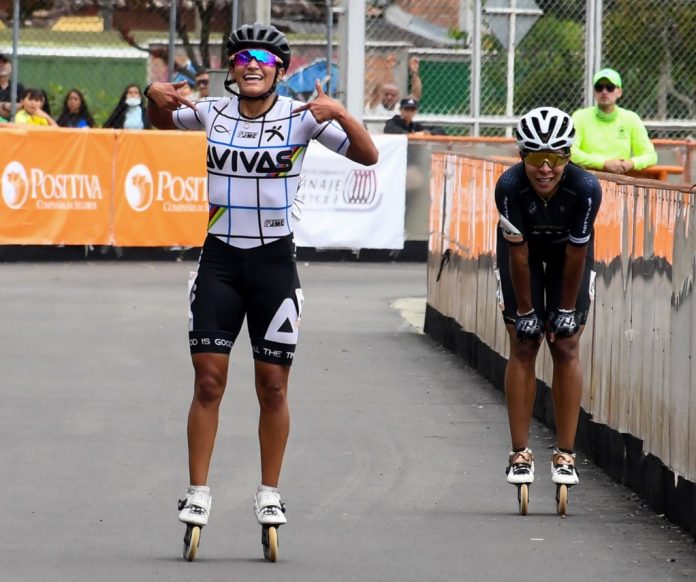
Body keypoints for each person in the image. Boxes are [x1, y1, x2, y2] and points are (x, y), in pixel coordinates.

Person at [144, 22, 378, 557]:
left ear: (280, 70)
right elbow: (161, 121)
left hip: (273, 265)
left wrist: (341, 113)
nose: (253, 65)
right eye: (243, 56)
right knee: (208, 382)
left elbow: (368, 156)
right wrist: (156, 95)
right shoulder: (211, 111)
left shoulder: (303, 118)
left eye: (265, 59)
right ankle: (198, 491)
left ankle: (269, 492)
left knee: (272, 386)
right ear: (232, 67)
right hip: (220, 262)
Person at [494, 107, 602, 511]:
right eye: (535, 158)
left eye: (554, 158)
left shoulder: (586, 188)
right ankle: (519, 453)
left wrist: (566, 309)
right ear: (521, 155)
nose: (544, 169)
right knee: (524, 343)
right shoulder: (509, 186)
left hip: (567, 256)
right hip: (521, 252)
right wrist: (525, 311)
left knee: (566, 343)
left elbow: (577, 253)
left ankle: (566, 454)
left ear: (568, 157)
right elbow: (518, 256)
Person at [571, 68, 657, 175]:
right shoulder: (579, 117)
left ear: (619, 92)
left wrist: (631, 163)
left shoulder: (631, 118)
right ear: (594, 92)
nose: (604, 91)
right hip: (586, 178)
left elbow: (650, 156)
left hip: (620, 179)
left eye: (610, 87)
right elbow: (570, 152)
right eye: (599, 87)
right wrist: (603, 164)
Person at [0, 53, 23, 120]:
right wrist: (6, 106)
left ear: (11, 66)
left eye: (4, 62)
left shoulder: (18, 87)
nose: (1, 65)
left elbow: (23, 107)